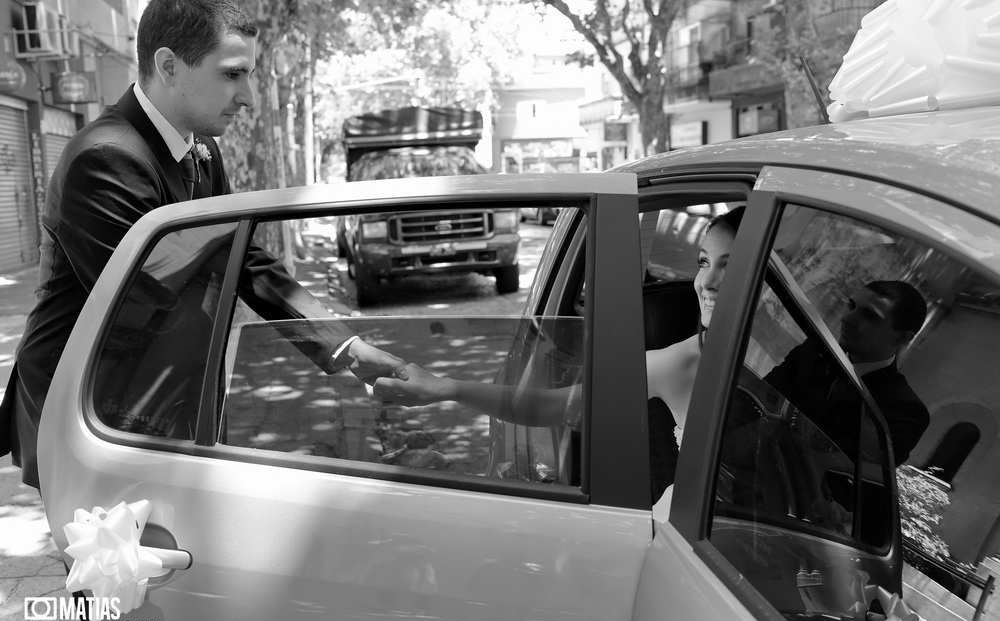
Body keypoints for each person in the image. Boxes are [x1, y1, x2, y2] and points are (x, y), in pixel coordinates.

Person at [0, 0, 404, 493]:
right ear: (169, 65)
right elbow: (151, 303)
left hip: (163, 399)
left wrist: (343, 345)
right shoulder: (106, 157)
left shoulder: (201, 147)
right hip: (96, 413)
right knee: (116, 568)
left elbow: (242, 256)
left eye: (250, 74)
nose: (249, 96)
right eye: (233, 74)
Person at [372, 207, 746, 473]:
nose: (706, 281)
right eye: (702, 262)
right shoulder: (683, 362)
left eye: (729, 265)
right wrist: (447, 388)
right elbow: (554, 407)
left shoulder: (794, 357)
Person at [764, 280, 930, 466]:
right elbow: (757, 397)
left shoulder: (904, 410)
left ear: (902, 337)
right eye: (851, 306)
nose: (847, 319)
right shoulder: (813, 353)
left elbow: (851, 476)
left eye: (870, 316)